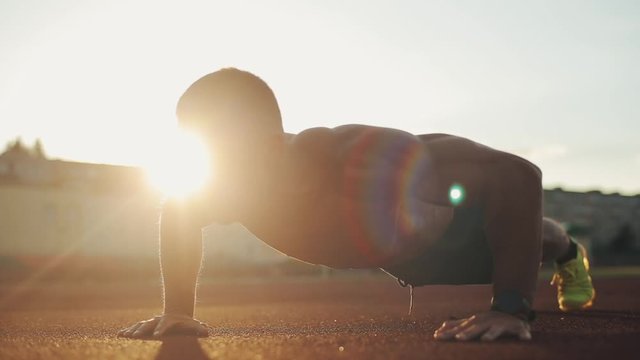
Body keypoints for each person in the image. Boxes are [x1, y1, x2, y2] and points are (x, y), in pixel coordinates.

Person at [118, 68, 595, 341]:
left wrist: (510, 308)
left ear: (266, 144)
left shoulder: (360, 158)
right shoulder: (226, 184)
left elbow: (518, 174)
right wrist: (178, 310)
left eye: (222, 151)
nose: (212, 171)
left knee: (536, 238)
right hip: (394, 256)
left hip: (451, 234)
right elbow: (178, 208)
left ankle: (569, 254)